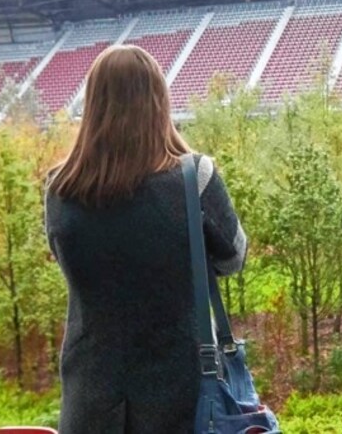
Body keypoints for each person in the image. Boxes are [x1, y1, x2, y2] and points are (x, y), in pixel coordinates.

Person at [44, 45, 246, 433]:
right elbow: (232, 258)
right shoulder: (194, 178)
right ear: (159, 101)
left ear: (93, 104)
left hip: (90, 396)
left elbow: (71, 262)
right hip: (183, 396)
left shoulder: (59, 188)